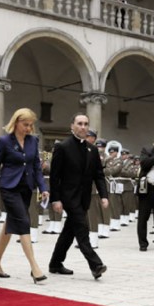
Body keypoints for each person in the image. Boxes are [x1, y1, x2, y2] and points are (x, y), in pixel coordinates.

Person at [0, 108, 49, 283]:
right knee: (23, 222)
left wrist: (43, 187)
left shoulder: (34, 140)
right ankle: (35, 268)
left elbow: (36, 168)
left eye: (31, 125)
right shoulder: (4, 141)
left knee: (10, 224)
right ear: (16, 122)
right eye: (25, 124)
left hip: (26, 189)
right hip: (9, 188)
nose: (28, 128)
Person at [48, 113, 108, 279]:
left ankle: (55, 263)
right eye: (80, 123)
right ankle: (95, 265)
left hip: (84, 198)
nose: (83, 127)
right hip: (68, 197)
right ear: (72, 126)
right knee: (82, 229)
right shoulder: (63, 147)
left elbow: (99, 175)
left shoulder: (92, 149)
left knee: (69, 231)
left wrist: (104, 195)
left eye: (86, 124)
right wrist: (56, 199)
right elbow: (55, 176)